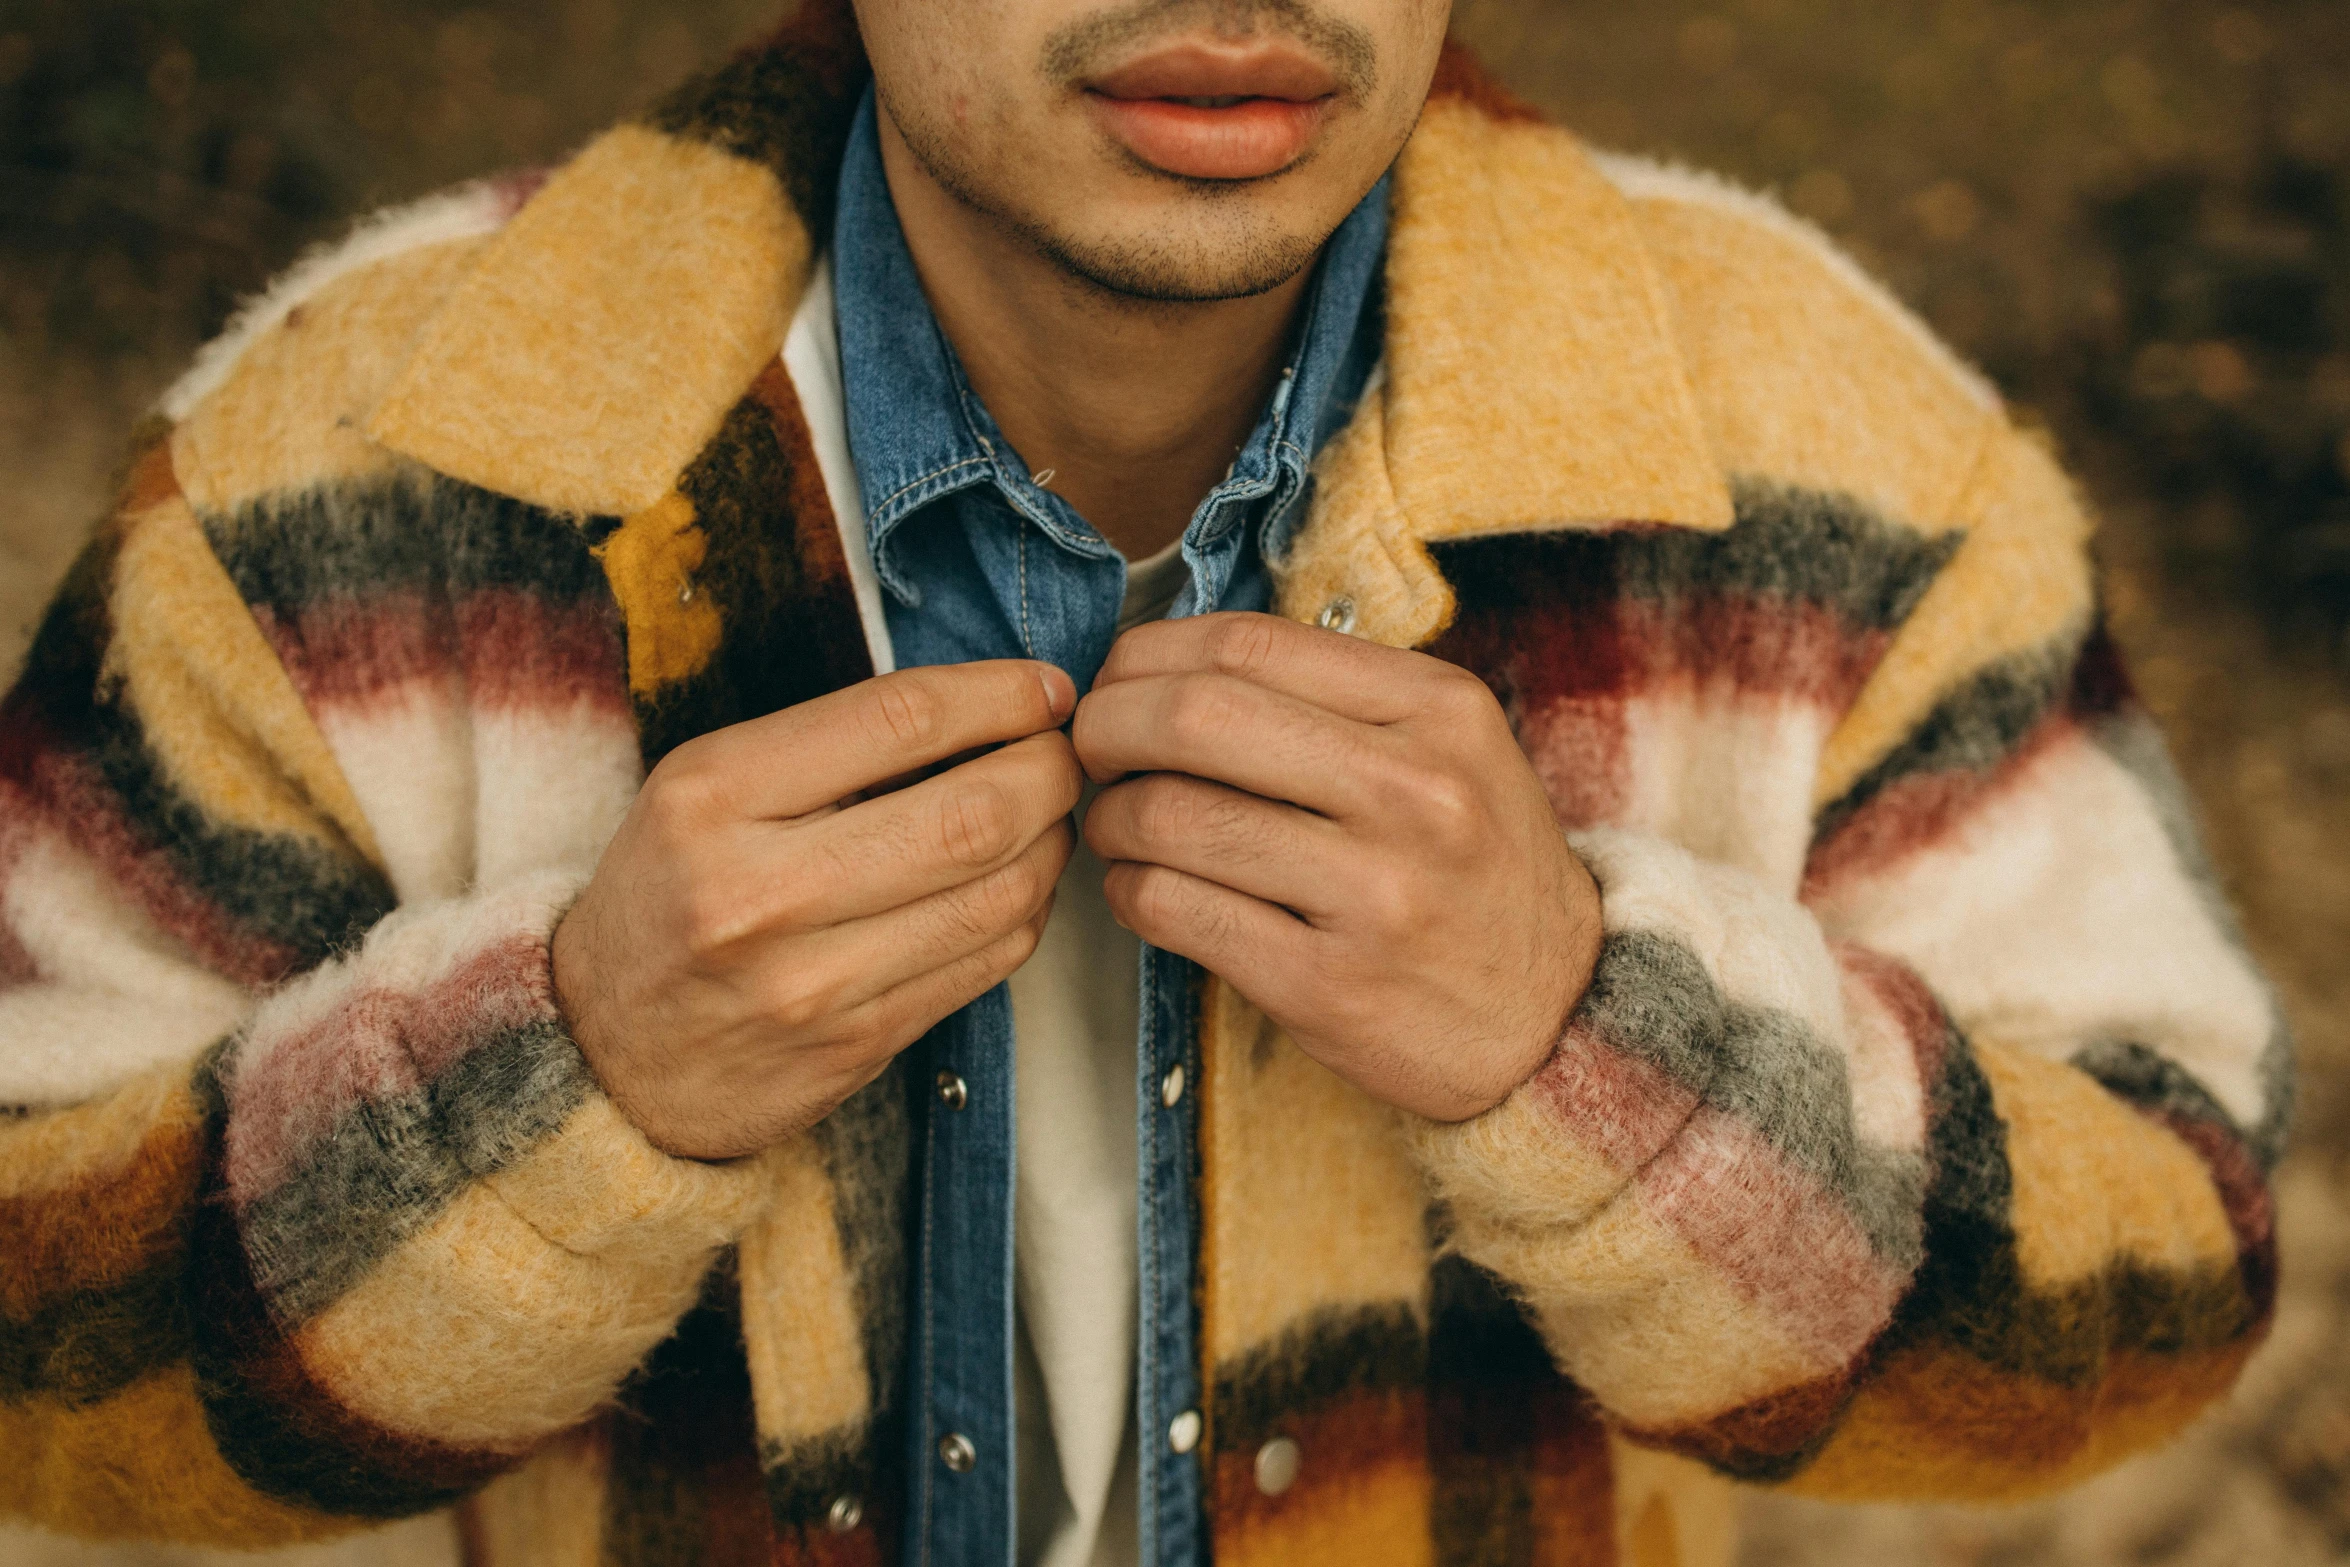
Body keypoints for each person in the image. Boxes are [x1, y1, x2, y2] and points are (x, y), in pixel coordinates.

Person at [0, 0, 2289, 1564]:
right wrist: (560, 1077)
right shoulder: (343, 471)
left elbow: (2169, 1267)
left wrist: (1598, 1037)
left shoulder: (1828, 456)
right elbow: (34, 1353)